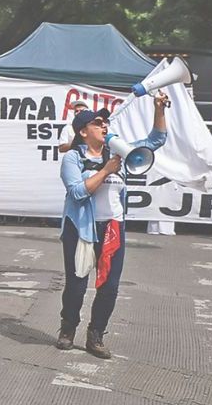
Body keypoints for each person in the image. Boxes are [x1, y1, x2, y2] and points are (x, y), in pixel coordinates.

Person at [57, 94, 168, 359]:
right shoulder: (73, 158)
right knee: (76, 284)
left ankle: (96, 334)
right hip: (81, 229)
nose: (104, 126)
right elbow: (77, 193)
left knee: (110, 286)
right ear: (83, 131)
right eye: (97, 123)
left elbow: (155, 141)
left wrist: (159, 109)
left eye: (105, 123)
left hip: (113, 229)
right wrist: (106, 170)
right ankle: (68, 328)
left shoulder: (119, 151)